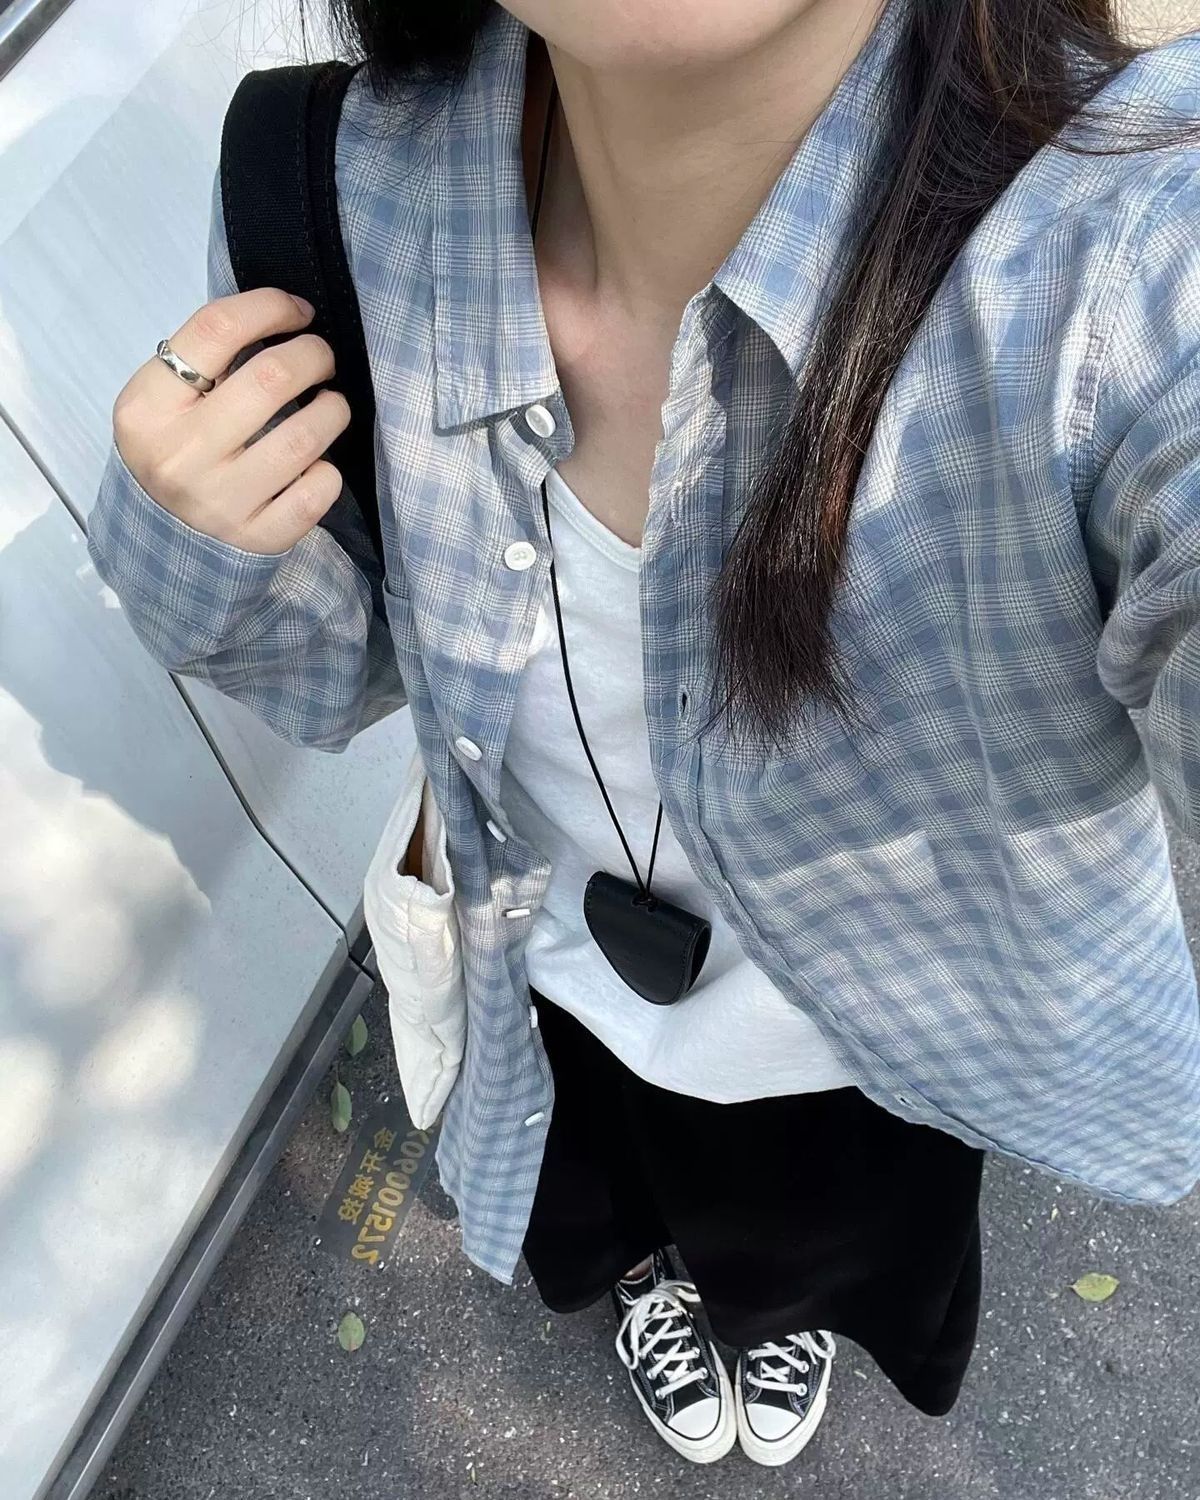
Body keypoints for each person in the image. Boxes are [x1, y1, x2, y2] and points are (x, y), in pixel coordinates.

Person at [88, 0, 1200, 1469]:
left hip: (858, 1050)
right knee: (622, 1216)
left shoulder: (1118, 259)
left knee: (807, 1247)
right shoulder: (322, 198)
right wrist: (188, 534)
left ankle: (774, 1314)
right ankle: (660, 1286)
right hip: (549, 989)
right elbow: (345, 672)